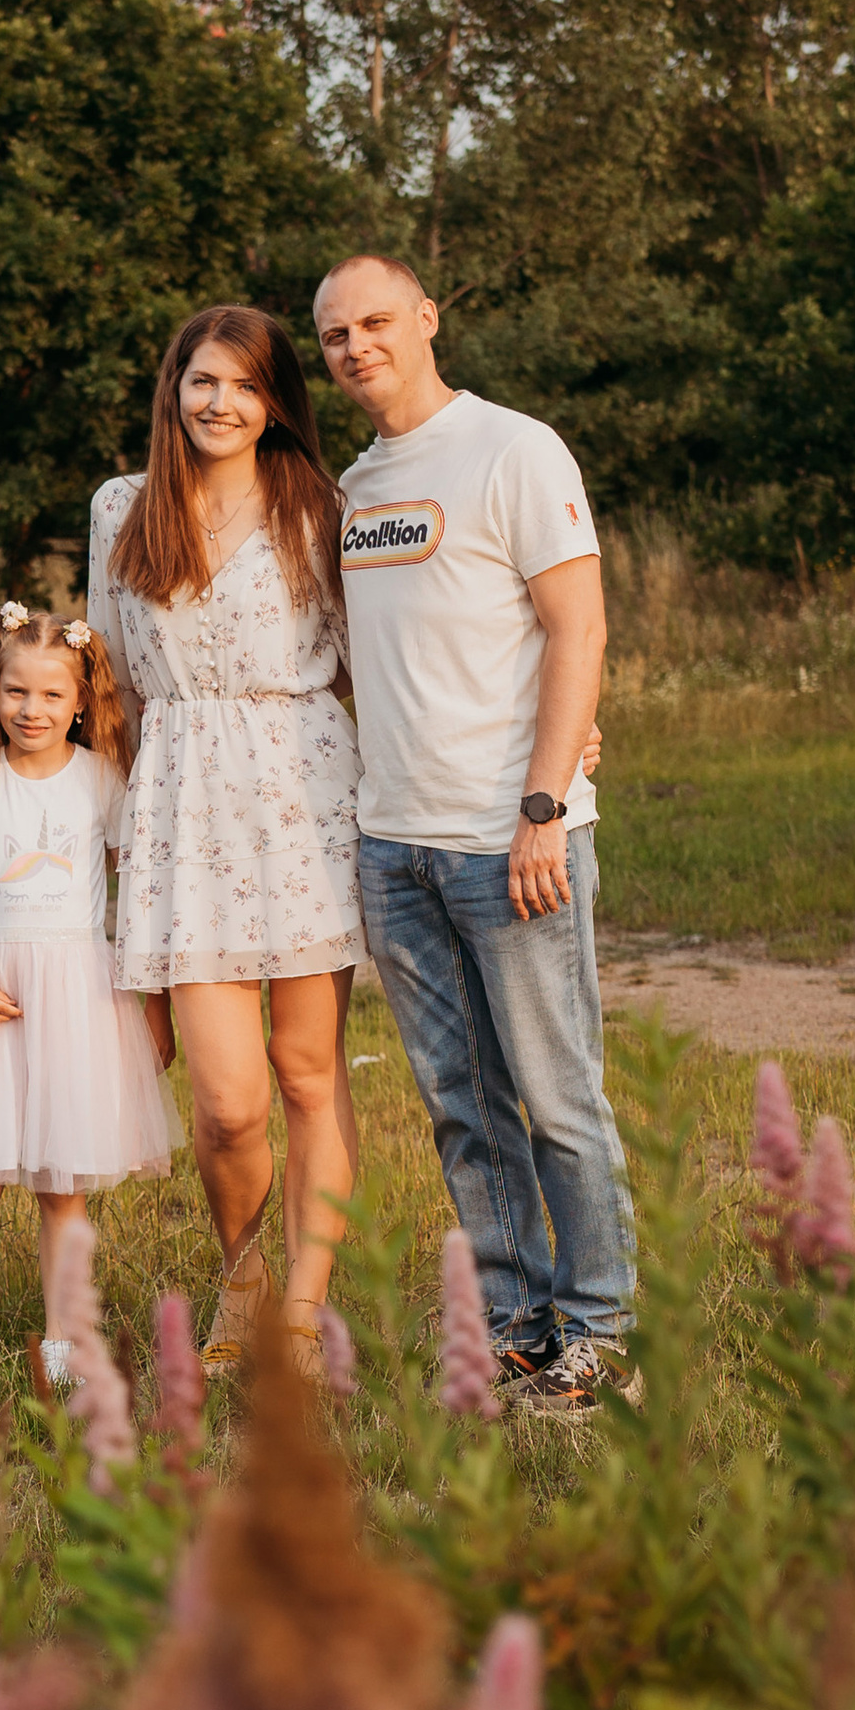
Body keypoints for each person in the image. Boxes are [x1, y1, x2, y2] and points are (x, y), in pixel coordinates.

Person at [313, 251, 636, 1403]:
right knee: (463, 1104)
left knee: (555, 1094)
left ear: (427, 318)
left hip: (511, 839)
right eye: (336, 335)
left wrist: (546, 802)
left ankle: (600, 1331)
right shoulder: (353, 487)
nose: (357, 347)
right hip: (393, 847)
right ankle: (515, 1326)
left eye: (377, 321)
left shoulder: (514, 447)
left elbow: (578, 630)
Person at [88, 306, 362, 1375]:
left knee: (306, 1073)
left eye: (245, 387)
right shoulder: (123, 506)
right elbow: (105, 685)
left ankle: (297, 1309)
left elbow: (364, 667)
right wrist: (99, 837)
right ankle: (239, 1277)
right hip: (177, 806)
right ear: (173, 389)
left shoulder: (318, 507)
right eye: (203, 382)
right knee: (227, 1103)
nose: (221, 404)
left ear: (275, 402)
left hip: (303, 798)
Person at [0, 602, 177, 1397]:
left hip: (76, 998)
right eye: (16, 693)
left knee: (62, 1187)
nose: (32, 710)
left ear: (82, 701)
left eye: (52, 696)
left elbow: (139, 891)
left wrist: (148, 999)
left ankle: (62, 1348)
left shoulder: (102, 782)